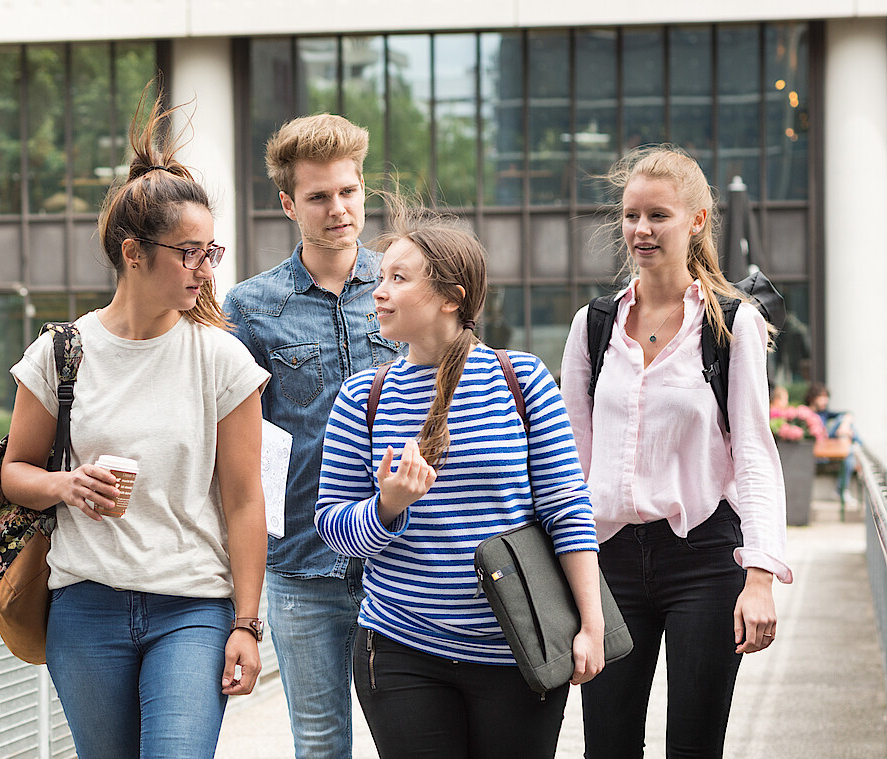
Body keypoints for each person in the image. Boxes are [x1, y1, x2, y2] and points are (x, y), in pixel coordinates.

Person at [0, 94, 270, 759]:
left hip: (193, 608)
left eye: (211, 252)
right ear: (133, 253)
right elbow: (15, 472)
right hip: (85, 606)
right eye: (190, 253)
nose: (206, 269)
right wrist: (66, 485)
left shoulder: (222, 359)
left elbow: (245, 499)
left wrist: (247, 623)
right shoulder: (60, 353)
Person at [315, 197, 605, 759]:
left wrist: (590, 624)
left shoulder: (522, 379)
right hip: (399, 647)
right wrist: (387, 506)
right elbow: (331, 527)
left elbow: (567, 509)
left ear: (451, 297)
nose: (379, 292)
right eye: (381, 278)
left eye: (399, 279)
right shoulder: (361, 398)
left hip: (518, 647)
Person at [560, 145, 794, 759]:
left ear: (696, 221)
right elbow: (571, 460)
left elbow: (754, 453)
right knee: (607, 746)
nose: (641, 229)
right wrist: (568, 567)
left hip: (705, 558)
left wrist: (761, 577)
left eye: (658, 216)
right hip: (609, 559)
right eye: (631, 215)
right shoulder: (592, 325)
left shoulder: (731, 323)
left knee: (694, 744)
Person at [223, 114, 403, 758]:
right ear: (288, 204)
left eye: (348, 191)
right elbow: (237, 451)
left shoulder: (406, 286)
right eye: (319, 196)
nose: (338, 209)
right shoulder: (250, 309)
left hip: (407, 558)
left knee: (414, 741)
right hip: (302, 563)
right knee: (321, 744)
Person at [805, 382, 861, 501]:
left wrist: (844, 425)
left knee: (844, 423)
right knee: (849, 451)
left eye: (826, 397)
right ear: (812, 398)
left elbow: (848, 414)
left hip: (827, 445)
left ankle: (856, 447)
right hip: (818, 450)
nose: (825, 400)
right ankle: (858, 447)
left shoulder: (824, 413)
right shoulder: (806, 414)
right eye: (822, 397)